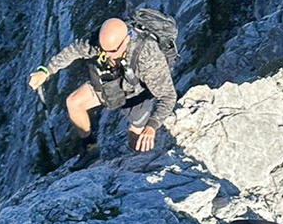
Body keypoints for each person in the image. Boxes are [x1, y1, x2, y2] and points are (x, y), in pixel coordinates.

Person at [27, 15, 176, 165]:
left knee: (135, 143)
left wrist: (152, 126)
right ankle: (90, 148)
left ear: (127, 39)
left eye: (112, 51)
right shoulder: (98, 42)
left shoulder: (149, 57)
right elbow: (73, 51)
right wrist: (46, 71)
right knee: (74, 103)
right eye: (103, 50)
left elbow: (168, 96)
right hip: (110, 84)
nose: (106, 55)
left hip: (137, 95)